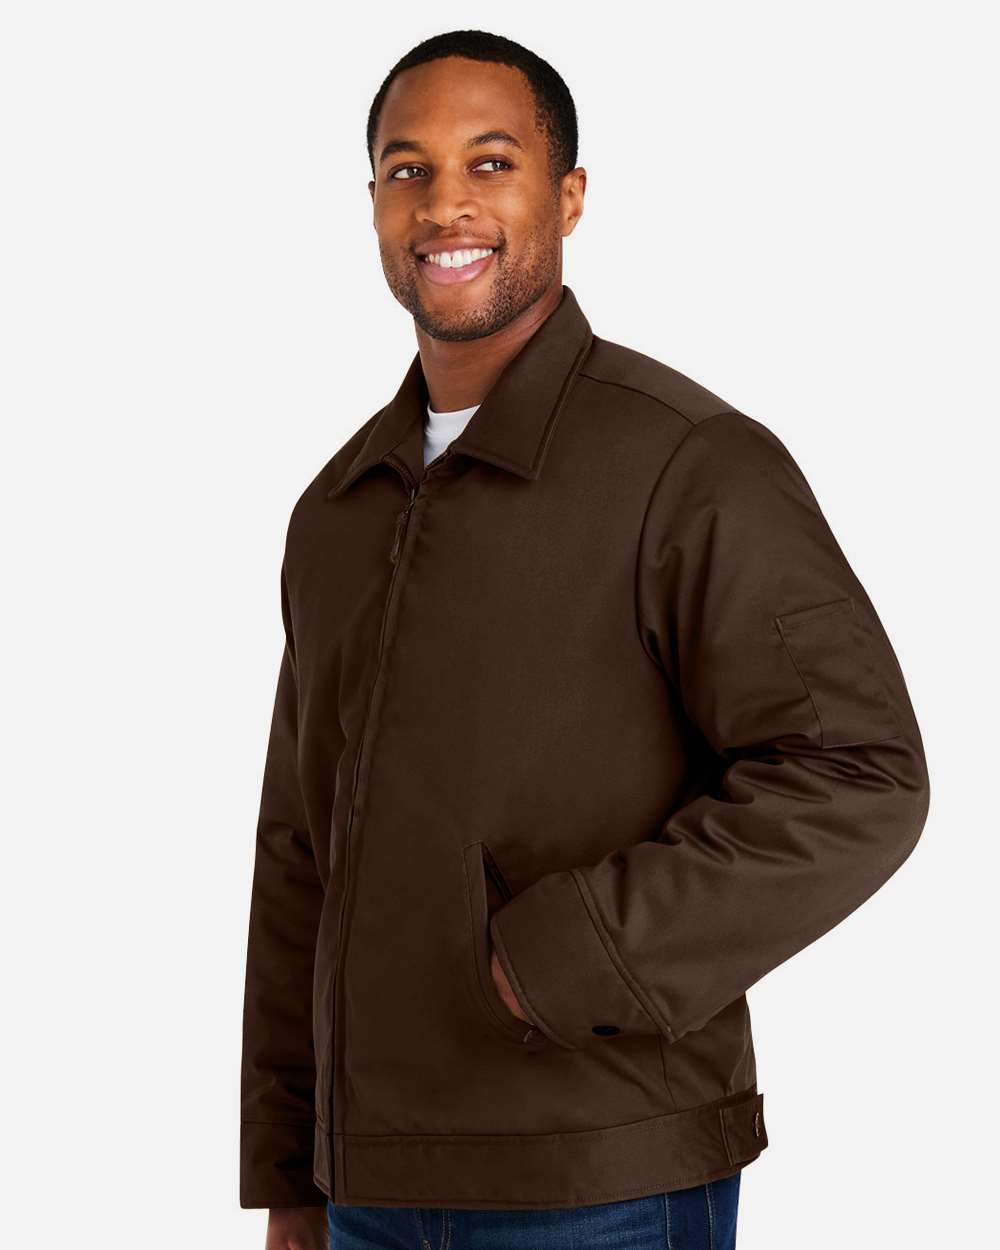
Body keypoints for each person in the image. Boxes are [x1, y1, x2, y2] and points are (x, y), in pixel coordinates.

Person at [239, 29, 930, 1250]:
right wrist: (291, 1169)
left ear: (565, 197)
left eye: (490, 162)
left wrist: (574, 957)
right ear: (374, 205)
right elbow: (300, 849)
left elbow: (857, 772)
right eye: (408, 170)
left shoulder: (689, 463)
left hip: (604, 1179)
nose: (444, 204)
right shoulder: (336, 509)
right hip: (368, 1190)